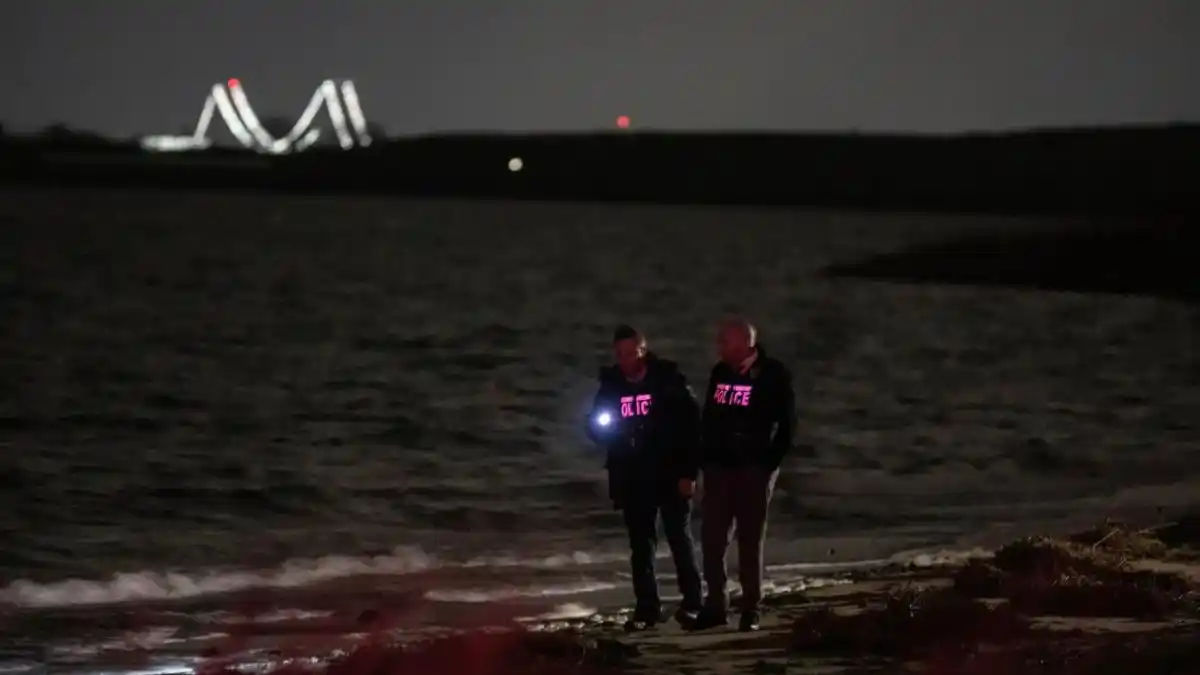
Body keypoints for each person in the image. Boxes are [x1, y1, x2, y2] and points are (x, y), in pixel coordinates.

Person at [586, 325, 704, 631]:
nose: (625, 359)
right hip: (632, 475)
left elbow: (693, 426)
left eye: (631, 352)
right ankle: (647, 607)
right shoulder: (611, 385)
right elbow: (596, 427)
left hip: (669, 471)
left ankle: (693, 601)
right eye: (620, 354)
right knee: (641, 544)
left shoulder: (667, 380)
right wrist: (602, 428)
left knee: (679, 537)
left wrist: (689, 473)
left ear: (643, 350)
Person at [690, 318, 795, 632]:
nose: (719, 348)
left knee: (750, 539)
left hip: (754, 468)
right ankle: (715, 605)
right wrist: (704, 459)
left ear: (744, 344)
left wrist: (769, 463)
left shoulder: (773, 375)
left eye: (725, 343)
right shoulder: (720, 373)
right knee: (712, 538)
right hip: (720, 467)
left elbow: (788, 425)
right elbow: (708, 417)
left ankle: (751, 607)